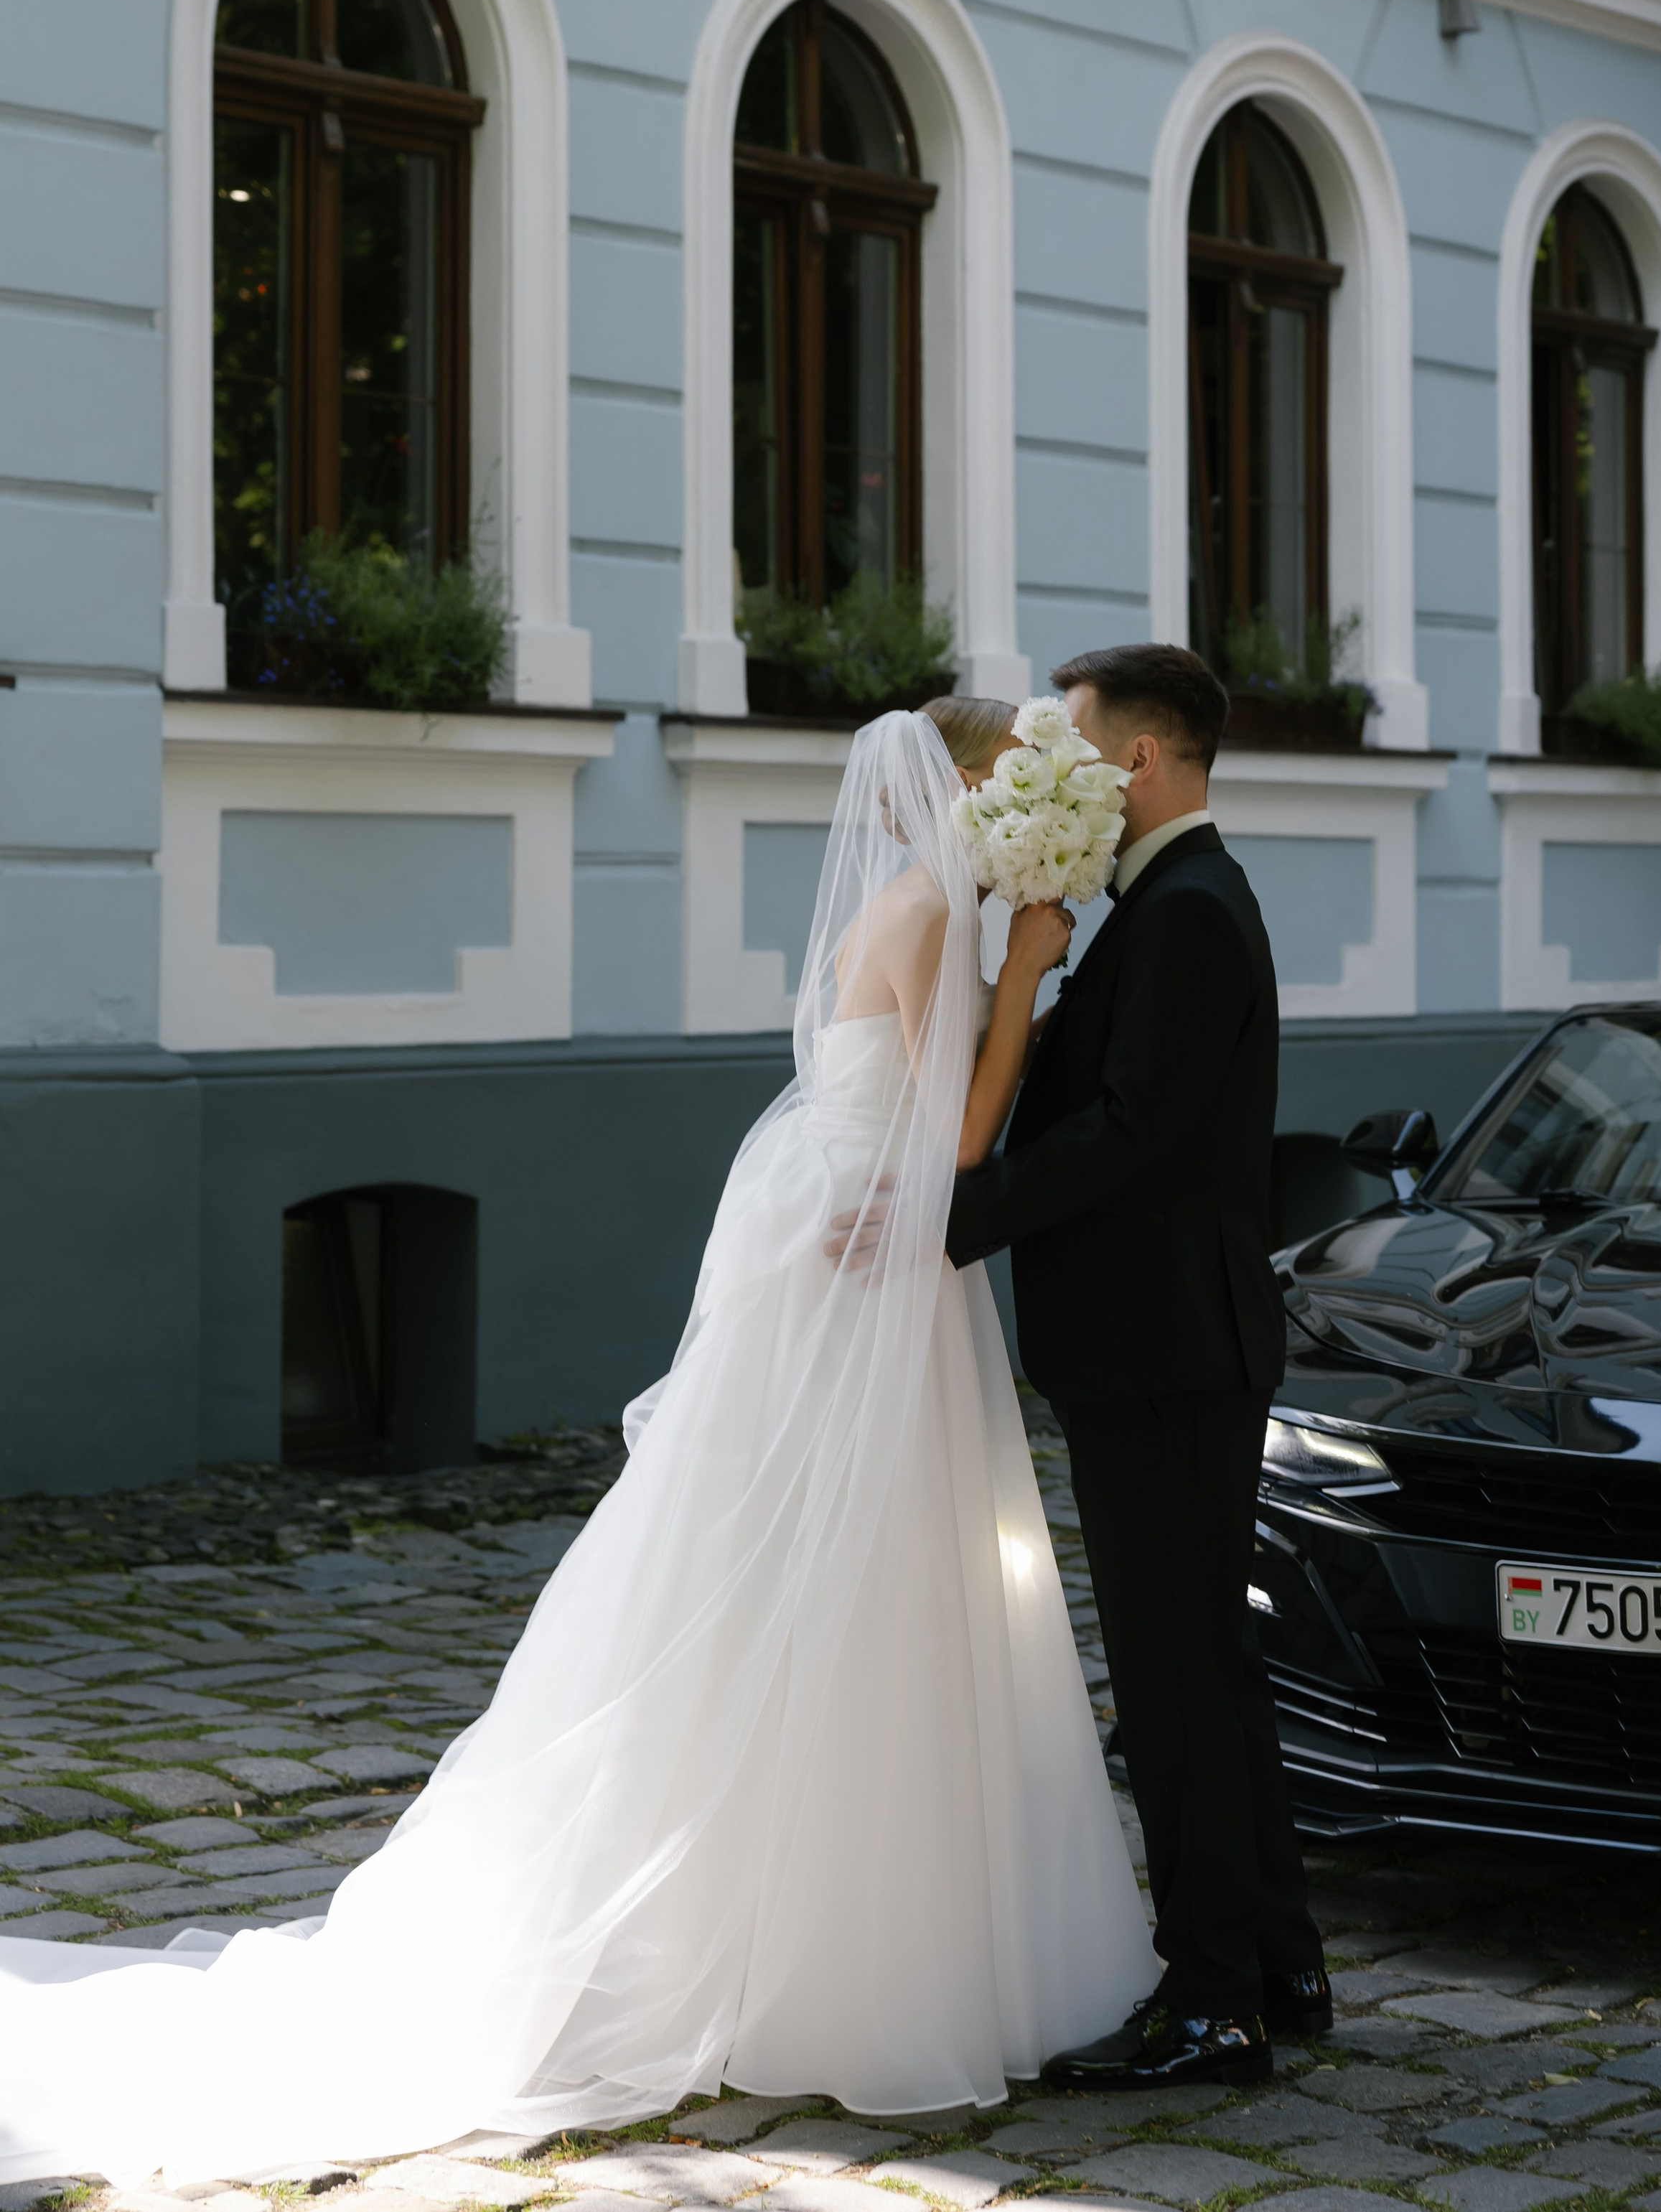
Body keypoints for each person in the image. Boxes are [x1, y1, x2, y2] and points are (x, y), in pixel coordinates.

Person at [0, 704, 1155, 2187]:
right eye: (1002, 796)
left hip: (851, 1246)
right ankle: (825, 1936)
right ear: (962, 799)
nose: (1006, 828)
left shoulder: (904, 900)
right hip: (872, 1259)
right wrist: (1033, 971)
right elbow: (959, 1140)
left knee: (819, 1568)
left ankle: (814, 1911)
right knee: (847, 1567)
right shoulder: (940, 917)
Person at [946, 643, 1328, 2094]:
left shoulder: (1183, 913)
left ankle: (1210, 2001)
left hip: (1163, 1350)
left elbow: (1125, 1134)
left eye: (1076, 746)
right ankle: (1277, 1960)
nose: (1062, 772)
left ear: (1138, 766)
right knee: (1208, 1669)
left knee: (1169, 1683)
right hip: (1173, 1344)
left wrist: (953, 1218)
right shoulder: (1177, 900)